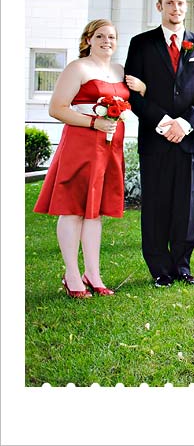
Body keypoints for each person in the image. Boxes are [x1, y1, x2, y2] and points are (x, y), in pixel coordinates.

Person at [34, 19, 140, 298]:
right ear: (88, 39)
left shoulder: (119, 70)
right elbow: (56, 108)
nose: (107, 41)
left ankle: (92, 273)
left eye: (112, 37)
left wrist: (142, 87)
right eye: (101, 36)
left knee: (95, 212)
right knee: (73, 208)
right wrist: (93, 123)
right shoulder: (77, 68)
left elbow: (136, 97)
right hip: (81, 144)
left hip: (110, 147)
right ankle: (72, 275)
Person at [124, 0, 194, 287]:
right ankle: (159, 269)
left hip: (190, 140)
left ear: (186, 7)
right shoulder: (141, 44)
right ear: (159, 7)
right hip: (155, 138)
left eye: (180, 3)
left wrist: (185, 124)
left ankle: (182, 265)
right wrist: (165, 122)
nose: (175, 8)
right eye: (169, 3)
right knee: (155, 203)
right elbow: (132, 91)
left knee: (187, 204)